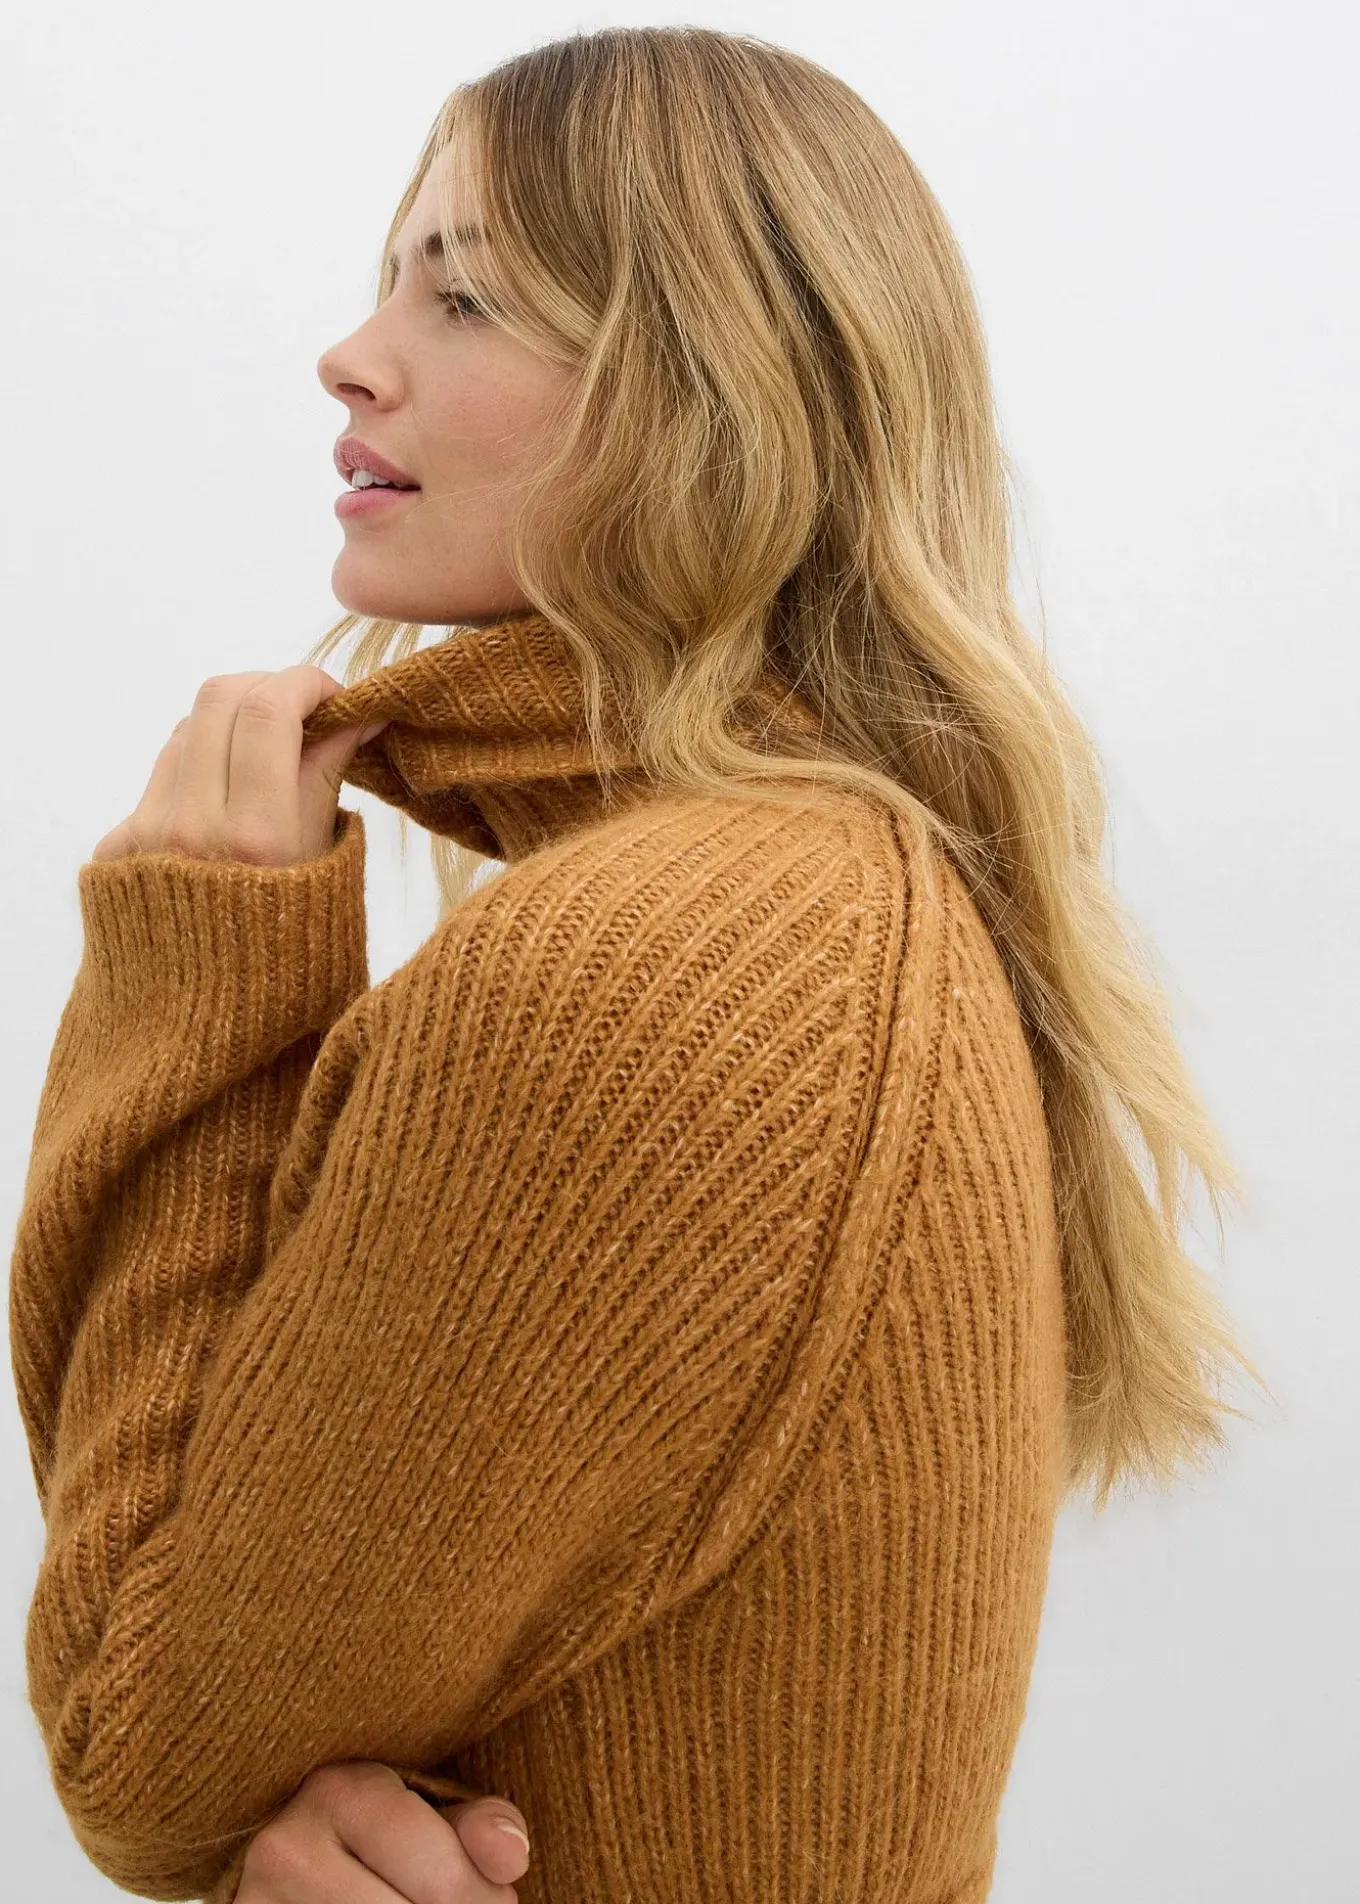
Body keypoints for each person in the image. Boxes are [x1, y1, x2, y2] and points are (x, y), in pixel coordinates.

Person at [10, 24, 1271, 1904]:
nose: (352, 353)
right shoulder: (812, 901)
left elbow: (143, 1744)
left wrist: (203, 977)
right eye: (390, 278)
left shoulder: (655, 976)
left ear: (712, 402)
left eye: (465, 297)